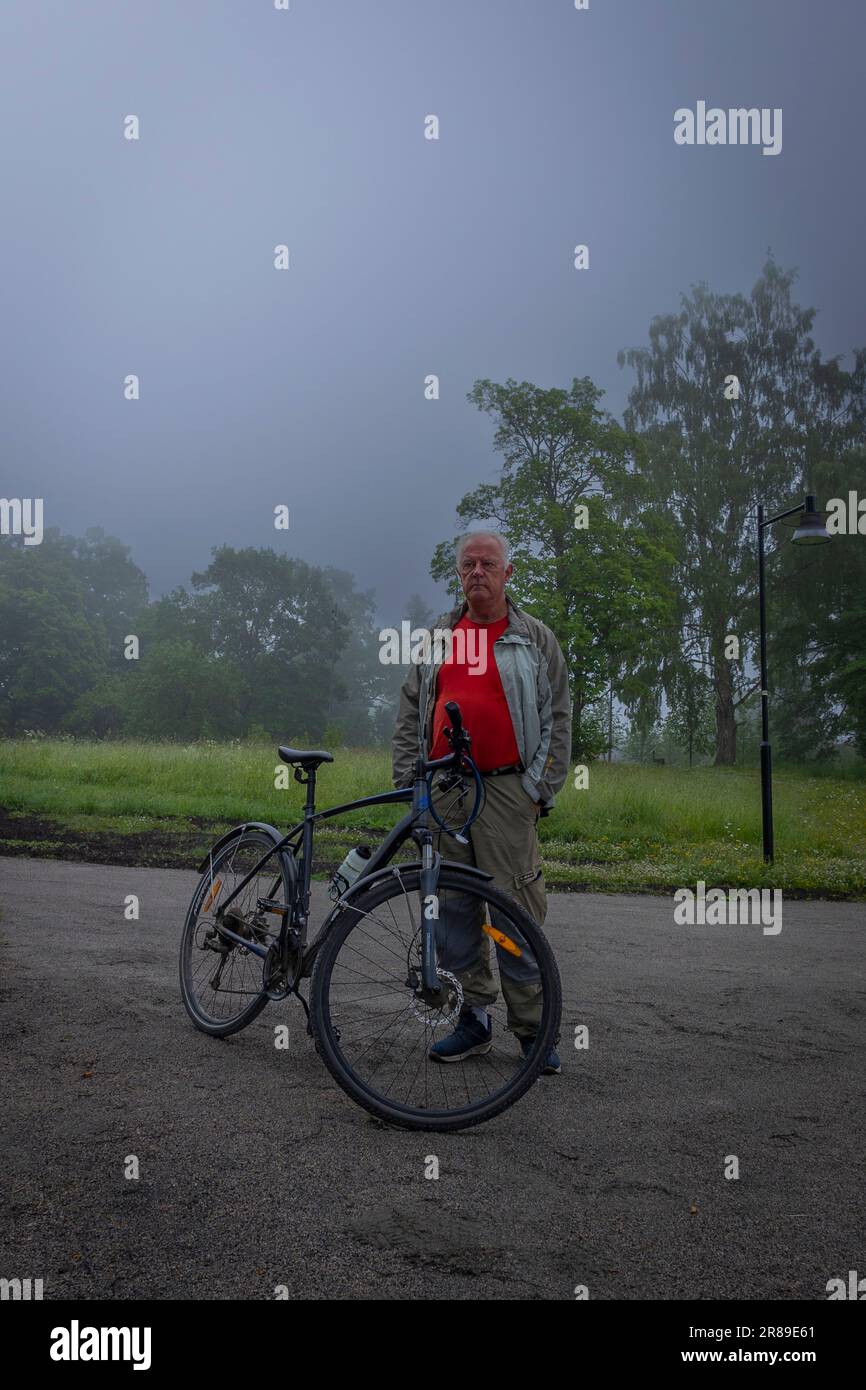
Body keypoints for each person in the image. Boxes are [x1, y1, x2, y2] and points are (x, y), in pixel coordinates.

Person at [392, 530, 572, 1073]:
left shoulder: (534, 639)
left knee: (515, 912)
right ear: (459, 573)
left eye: (487, 564)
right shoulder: (441, 636)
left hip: (506, 791)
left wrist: (536, 789)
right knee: (452, 911)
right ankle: (473, 1022)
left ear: (507, 573)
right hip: (445, 791)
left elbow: (557, 718)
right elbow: (408, 713)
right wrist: (411, 783)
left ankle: (533, 1034)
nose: (477, 573)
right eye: (468, 564)